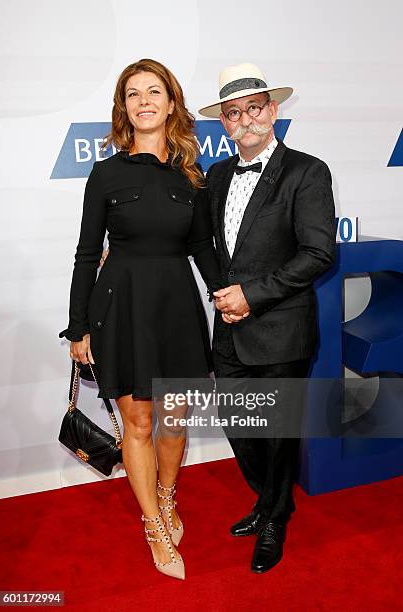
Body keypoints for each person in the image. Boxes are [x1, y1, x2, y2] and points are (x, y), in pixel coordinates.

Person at [59, 58, 221, 580]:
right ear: (123, 108)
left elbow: (202, 248)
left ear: (172, 104)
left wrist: (229, 293)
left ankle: (167, 497)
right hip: (121, 308)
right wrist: (77, 326)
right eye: (134, 94)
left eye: (155, 92)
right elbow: (87, 253)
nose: (144, 101)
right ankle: (153, 523)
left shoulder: (191, 175)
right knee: (140, 421)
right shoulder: (105, 173)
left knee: (173, 421)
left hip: (175, 307)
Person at [199, 63, 335, 573]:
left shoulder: (307, 171)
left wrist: (252, 296)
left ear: (273, 111)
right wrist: (222, 293)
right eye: (232, 113)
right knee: (239, 424)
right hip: (229, 330)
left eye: (253, 108)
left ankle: (274, 516)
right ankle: (272, 499)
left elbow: (318, 253)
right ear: (224, 123)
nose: (244, 120)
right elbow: (209, 247)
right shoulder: (215, 176)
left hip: (281, 326)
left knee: (279, 434)